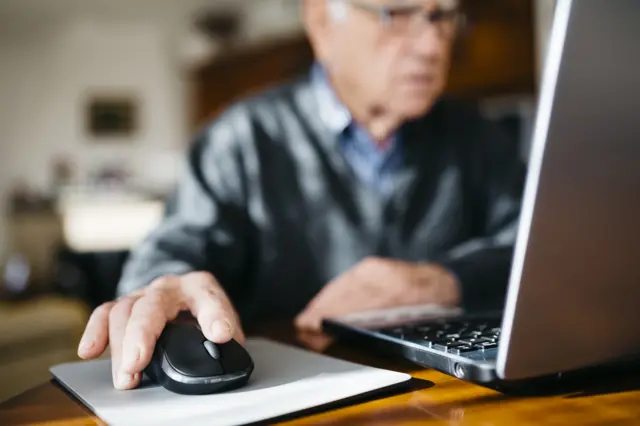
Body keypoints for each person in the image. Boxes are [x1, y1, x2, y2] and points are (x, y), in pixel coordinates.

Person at [77, 0, 526, 390]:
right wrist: (167, 288)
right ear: (322, 23)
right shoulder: (240, 141)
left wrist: (442, 281)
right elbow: (169, 260)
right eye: (399, 13)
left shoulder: (479, 138)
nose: (433, 45)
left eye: (443, 16)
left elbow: (540, 252)